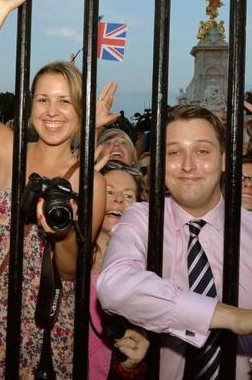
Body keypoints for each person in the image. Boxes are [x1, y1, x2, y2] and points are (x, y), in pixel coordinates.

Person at [0, 0, 111, 378]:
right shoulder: (8, 150)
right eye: (43, 99)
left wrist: (61, 229)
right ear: (30, 106)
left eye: (64, 101)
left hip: (49, 323)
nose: (52, 111)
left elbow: (72, 272)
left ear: (79, 111)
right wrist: (0, 11)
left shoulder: (91, 180)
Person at [97, 104, 252, 379]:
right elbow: (115, 285)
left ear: (224, 160)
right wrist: (236, 317)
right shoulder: (143, 218)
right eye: (174, 152)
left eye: (202, 151)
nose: (187, 164)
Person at [90, 160, 149, 379]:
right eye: (109, 192)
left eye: (128, 196)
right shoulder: (68, 254)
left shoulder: (149, 263)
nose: (118, 200)